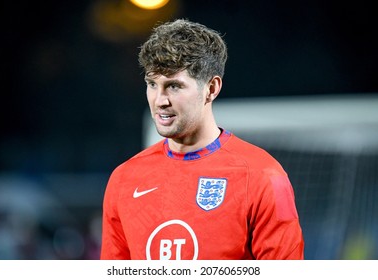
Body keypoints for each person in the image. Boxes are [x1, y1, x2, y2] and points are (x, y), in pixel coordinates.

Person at [100, 18, 304, 260]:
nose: (159, 100)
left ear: (211, 88)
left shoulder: (264, 176)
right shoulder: (123, 179)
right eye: (152, 84)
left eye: (174, 86)